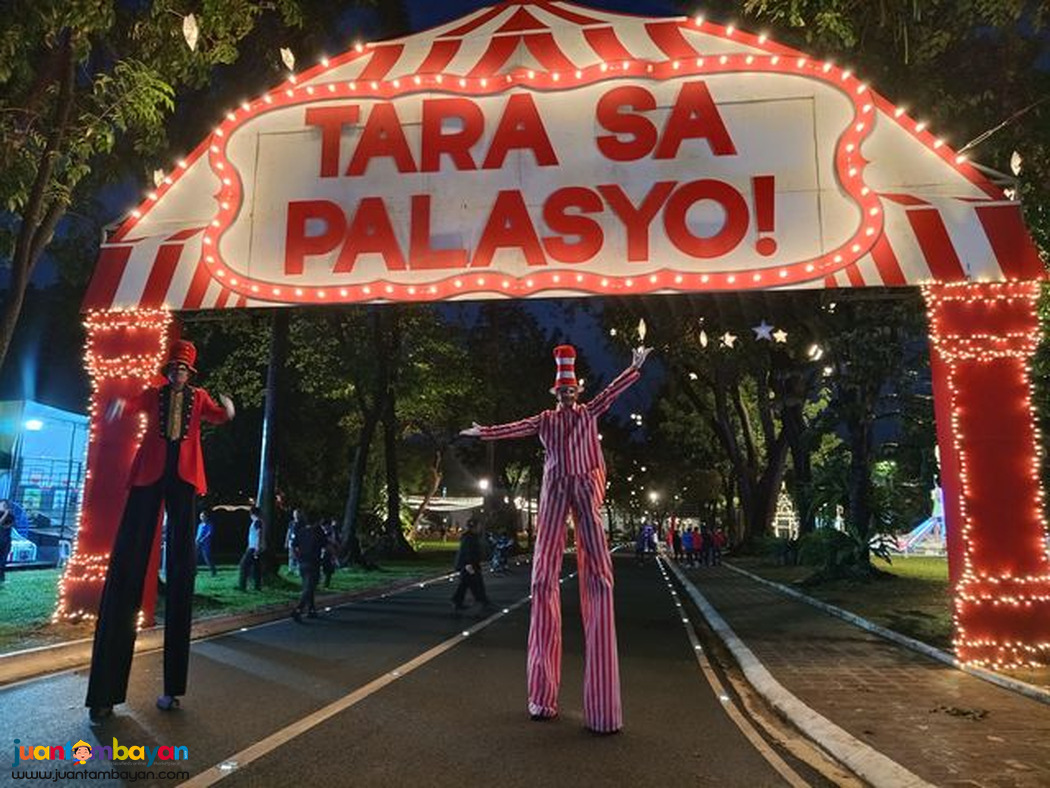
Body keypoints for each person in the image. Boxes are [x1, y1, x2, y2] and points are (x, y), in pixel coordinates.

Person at [461, 342, 651, 734]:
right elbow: (517, 427)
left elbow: (611, 393)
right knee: (542, 578)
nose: (566, 395)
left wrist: (634, 368)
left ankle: (602, 709)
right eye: (561, 391)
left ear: (577, 391)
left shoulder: (588, 412)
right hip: (553, 491)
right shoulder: (546, 419)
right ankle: (541, 698)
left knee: (599, 576)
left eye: (570, 390)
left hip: (583, 487)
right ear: (556, 393)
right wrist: (485, 433)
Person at [86, 339, 234, 722]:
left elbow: (217, 415)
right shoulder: (155, 394)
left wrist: (229, 409)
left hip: (184, 476)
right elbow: (132, 406)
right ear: (168, 371)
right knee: (131, 555)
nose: (178, 373)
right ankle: (106, 692)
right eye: (174, 369)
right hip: (151, 471)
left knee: (182, 565)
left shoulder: (199, 397)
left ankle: (172, 688)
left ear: (191, 373)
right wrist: (119, 404)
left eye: (183, 369)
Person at [290, 511, 325, 622]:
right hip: (313, 562)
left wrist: (297, 557)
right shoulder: (318, 531)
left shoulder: (301, 531)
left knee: (308, 585)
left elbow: (294, 546)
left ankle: (311, 609)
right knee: (309, 587)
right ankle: (299, 609)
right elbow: (326, 545)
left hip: (302, 562)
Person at [451, 517, 491, 610]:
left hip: (469, 564)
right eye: (479, 526)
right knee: (476, 582)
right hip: (469, 564)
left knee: (465, 583)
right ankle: (482, 600)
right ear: (475, 527)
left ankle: (457, 600)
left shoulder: (470, 536)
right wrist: (469, 564)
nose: (480, 528)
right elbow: (468, 551)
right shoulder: (469, 538)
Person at [237, 507, 263, 591]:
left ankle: (242, 586)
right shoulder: (257, 522)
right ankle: (257, 586)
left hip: (253, 548)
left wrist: (257, 548)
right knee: (256, 567)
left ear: (252, 514)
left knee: (243, 565)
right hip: (253, 547)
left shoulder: (257, 522)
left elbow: (259, 535)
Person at [195, 510, 217, 576]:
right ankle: (195, 571)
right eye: (201, 516)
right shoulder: (200, 525)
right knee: (195, 557)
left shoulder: (209, 525)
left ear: (206, 517)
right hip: (198, 543)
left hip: (205, 544)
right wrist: (196, 540)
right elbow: (198, 534)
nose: (201, 517)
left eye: (203, 516)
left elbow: (209, 533)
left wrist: (203, 539)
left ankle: (213, 571)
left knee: (207, 557)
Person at [0, 500, 13, 584]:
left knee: (3, 561)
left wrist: (6, 513)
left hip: (5, 541)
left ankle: (2, 579)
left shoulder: (10, 516)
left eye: (2, 505)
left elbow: (6, 525)